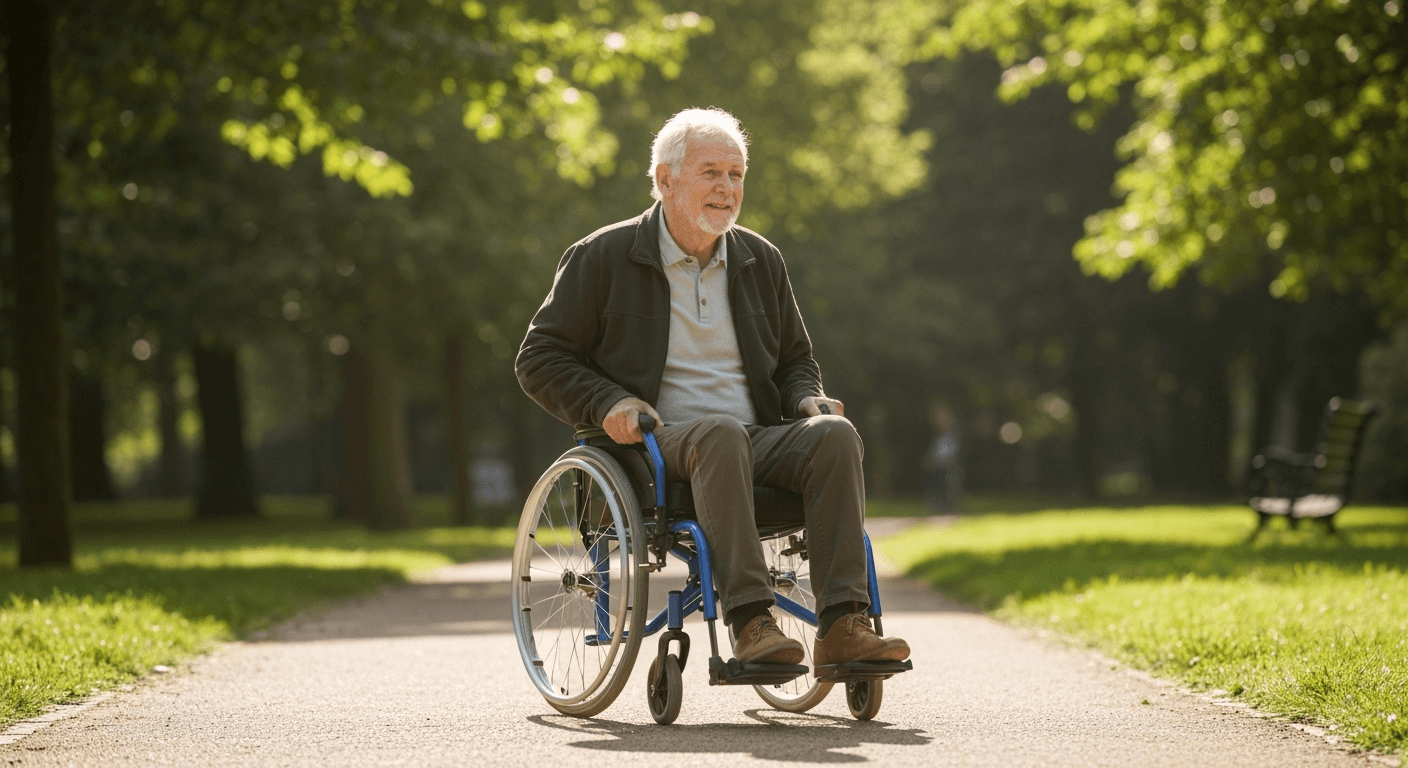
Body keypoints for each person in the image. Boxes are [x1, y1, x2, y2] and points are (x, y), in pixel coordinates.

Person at [515, 107, 908, 670]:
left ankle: (844, 624)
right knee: (721, 435)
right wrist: (608, 403)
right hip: (654, 450)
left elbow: (796, 359)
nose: (727, 188)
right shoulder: (603, 256)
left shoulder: (759, 259)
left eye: (736, 174)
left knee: (834, 435)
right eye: (711, 173)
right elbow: (539, 358)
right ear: (666, 178)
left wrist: (805, 398)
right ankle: (751, 622)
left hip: (756, 438)